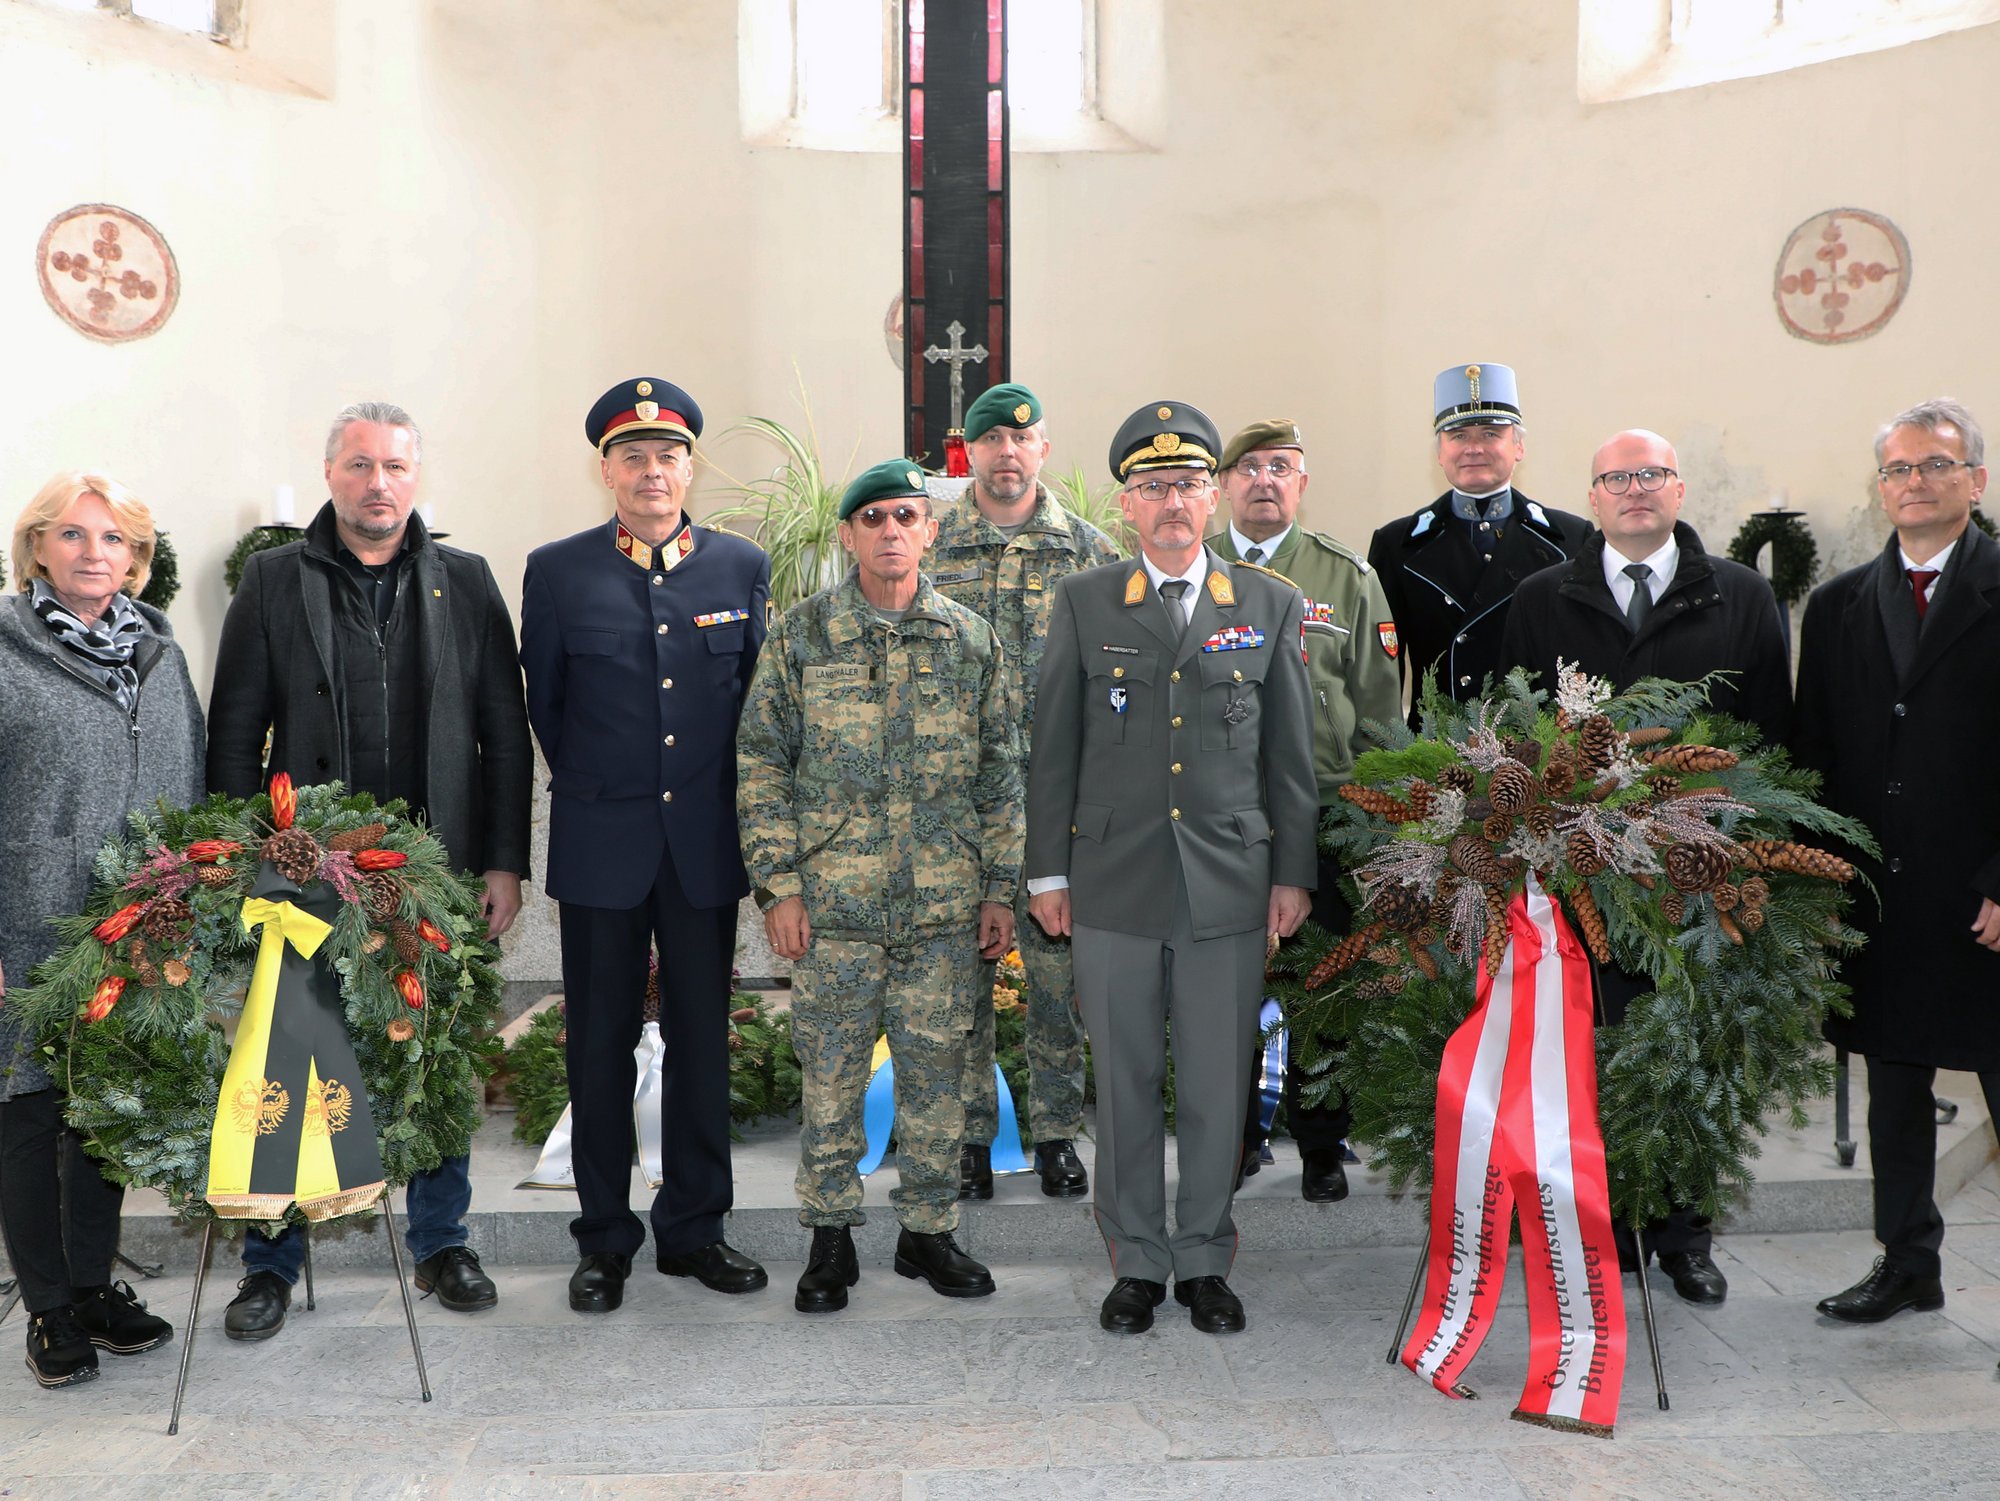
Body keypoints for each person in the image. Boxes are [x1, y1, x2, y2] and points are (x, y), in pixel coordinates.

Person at [207, 400, 532, 1338]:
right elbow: (234, 734)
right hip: (302, 871)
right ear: (329, 474)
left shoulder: (465, 582)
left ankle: (441, 1241)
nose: (376, 482)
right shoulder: (272, 580)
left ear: (416, 478)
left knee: (433, 1060)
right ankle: (271, 1257)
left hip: (433, 870)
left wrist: (503, 863)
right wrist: (238, 861)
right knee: (288, 1061)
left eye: (393, 466)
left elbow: (504, 740)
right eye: (358, 465)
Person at [1026, 402, 1318, 1336]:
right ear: (1126, 506)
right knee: (1122, 1079)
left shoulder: (1267, 604)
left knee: (1214, 1083)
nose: (1172, 503)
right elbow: (1053, 751)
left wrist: (1293, 873)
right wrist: (1045, 875)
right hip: (1112, 878)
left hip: (1229, 881)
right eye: (1153, 488)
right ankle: (1137, 1261)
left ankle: (1203, 1256)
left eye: (1188, 484)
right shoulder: (1084, 600)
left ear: (1214, 493)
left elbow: (1290, 759)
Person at [1499, 427, 1793, 1307]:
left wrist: (1741, 843)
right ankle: (1604, 1225)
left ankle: (1686, 1237)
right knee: (1591, 1053)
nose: (1635, 489)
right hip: (1580, 876)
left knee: (1689, 1051)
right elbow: (1513, 733)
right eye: (1616, 477)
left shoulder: (1740, 595)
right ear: (1590, 497)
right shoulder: (1542, 596)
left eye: (1651, 474)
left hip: (1697, 873)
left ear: (1679, 488)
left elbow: (1772, 730)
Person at [738, 461, 1021, 1313]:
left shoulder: (970, 640)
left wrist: (999, 887)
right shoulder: (801, 638)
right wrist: (779, 886)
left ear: (931, 529)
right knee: (829, 1076)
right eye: (873, 518)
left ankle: (928, 1232)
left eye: (907, 514)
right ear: (849, 536)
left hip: (943, 909)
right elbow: (761, 765)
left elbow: (1003, 772)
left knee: (937, 1076)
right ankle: (830, 1238)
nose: (892, 530)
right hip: (833, 914)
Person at [521, 378, 771, 1314]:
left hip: (705, 845)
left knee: (706, 1040)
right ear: (606, 470)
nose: (651, 471)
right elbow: (549, 706)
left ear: (690, 466)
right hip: (603, 844)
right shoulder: (559, 570)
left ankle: (697, 1230)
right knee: (598, 1046)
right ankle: (604, 1239)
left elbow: (754, 710)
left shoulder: (740, 568)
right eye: (632, 456)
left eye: (667, 455)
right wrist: (608, 791)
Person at [1794, 397, 2000, 1325]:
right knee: (1896, 1088)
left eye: (1935, 465)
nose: (1915, 483)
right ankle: (1906, 1260)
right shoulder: (1838, 605)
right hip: (1878, 896)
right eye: (1898, 469)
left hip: (1982, 894)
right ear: (1881, 488)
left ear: (1976, 480)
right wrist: (1825, 881)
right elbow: (1816, 758)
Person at [0, 473, 201, 1387]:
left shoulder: (161, 654)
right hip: (28, 925)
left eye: (113, 539)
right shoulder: (4, 648)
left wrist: (188, 904)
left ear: (138, 558)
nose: (93, 553)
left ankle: (91, 1286)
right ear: (36, 546)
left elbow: (190, 787)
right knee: (31, 1113)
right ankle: (46, 1309)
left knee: (107, 1113)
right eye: (72, 535)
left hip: (139, 927)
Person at [923, 382, 1119, 1202]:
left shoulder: (1091, 550)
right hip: (956, 808)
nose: (1009, 452)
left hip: (1057, 806)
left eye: (1023, 437)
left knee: (1056, 981)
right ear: (966, 453)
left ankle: (1056, 1135)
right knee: (958, 979)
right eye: (992, 439)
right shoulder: (927, 546)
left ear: (1043, 449)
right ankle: (971, 1138)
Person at [1209, 418, 1400, 1202]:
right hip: (1218, 814)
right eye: (1247, 467)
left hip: (1321, 812)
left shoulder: (1346, 576)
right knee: (1219, 980)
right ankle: (1233, 1137)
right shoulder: (1192, 568)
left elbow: (1382, 711)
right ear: (1224, 484)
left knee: (1323, 982)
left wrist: (1374, 819)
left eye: (1279, 466)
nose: (1263, 480)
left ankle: (1322, 1140)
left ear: (1302, 483)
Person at [1368, 363, 1592, 717]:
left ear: (1519, 447)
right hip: (1435, 751)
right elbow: (1380, 671)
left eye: (1490, 433)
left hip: (1539, 752)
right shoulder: (1398, 545)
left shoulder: (1571, 539)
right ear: (1439, 452)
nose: (1473, 448)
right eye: (1458, 435)